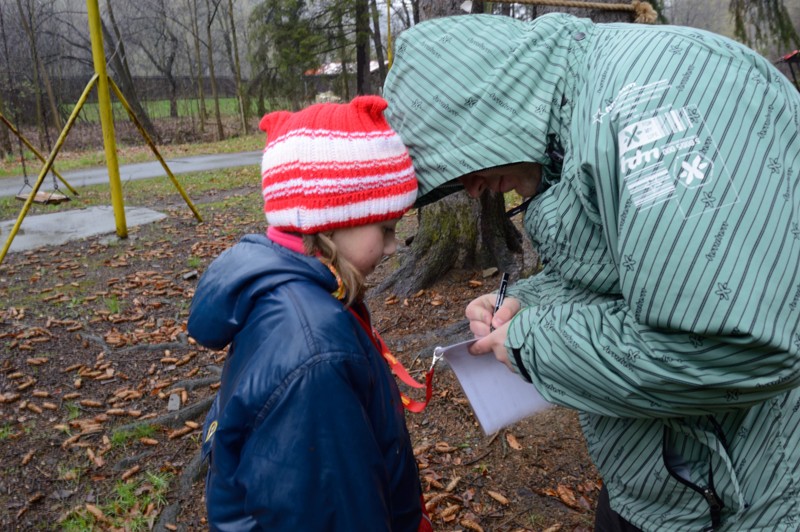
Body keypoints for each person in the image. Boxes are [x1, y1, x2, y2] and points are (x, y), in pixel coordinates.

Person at [383, 12, 800, 532]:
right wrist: (529, 303)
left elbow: (731, 345)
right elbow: (626, 272)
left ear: (484, 114)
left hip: (746, 502)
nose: (471, 190)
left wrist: (532, 342)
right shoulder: (570, 121)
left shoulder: (656, 96)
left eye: (464, 169)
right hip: (657, 484)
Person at [187, 96, 432, 531]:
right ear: (331, 220)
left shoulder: (300, 293)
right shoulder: (316, 354)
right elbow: (334, 513)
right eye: (386, 229)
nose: (394, 247)